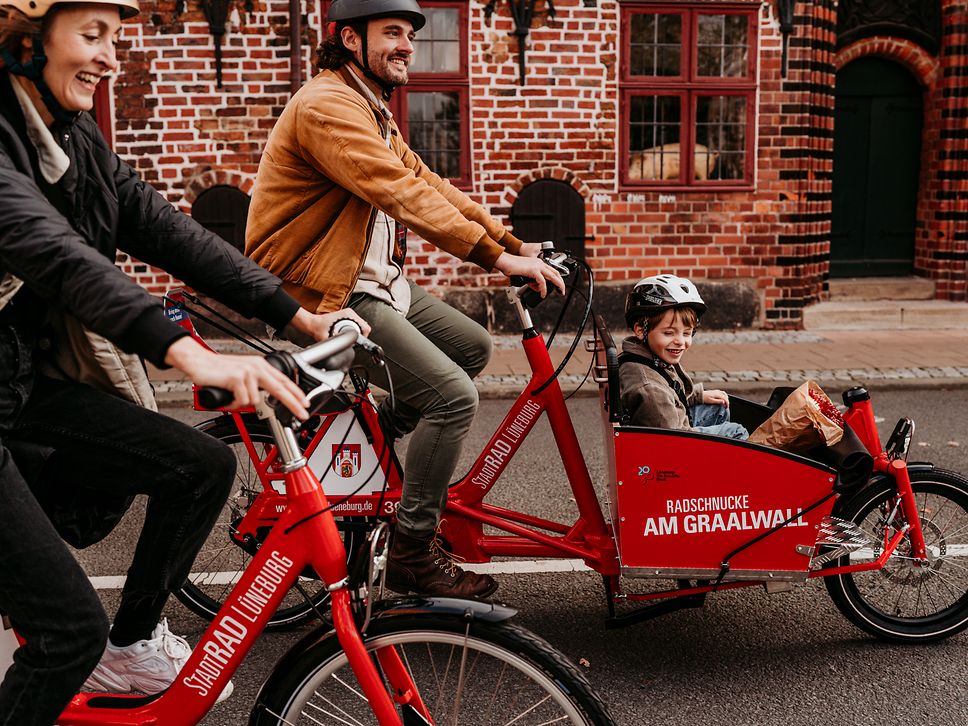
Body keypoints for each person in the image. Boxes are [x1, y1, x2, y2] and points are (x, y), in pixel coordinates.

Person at [0, 1, 368, 722]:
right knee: (68, 634)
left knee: (198, 465)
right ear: (25, 39)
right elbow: (56, 253)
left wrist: (298, 317)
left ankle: (131, 645)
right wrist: (188, 354)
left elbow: (165, 229)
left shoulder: (70, 137)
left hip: (19, 388)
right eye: (92, 36)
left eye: (116, 38)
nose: (111, 57)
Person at [245, 0, 564, 599]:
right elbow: (397, 192)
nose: (406, 46)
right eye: (391, 32)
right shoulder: (327, 106)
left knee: (470, 348)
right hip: (324, 292)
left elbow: (429, 185)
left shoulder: (372, 110)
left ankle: (362, 455)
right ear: (348, 38)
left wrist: (518, 245)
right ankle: (413, 552)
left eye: (410, 35)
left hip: (374, 282)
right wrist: (496, 259)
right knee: (452, 397)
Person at [619, 274, 748, 440]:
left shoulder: (649, 357)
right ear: (641, 330)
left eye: (687, 333)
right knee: (736, 432)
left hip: (675, 423)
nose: (680, 341)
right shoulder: (650, 389)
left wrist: (698, 395)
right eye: (668, 333)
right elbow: (674, 441)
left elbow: (671, 391)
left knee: (719, 408)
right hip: (675, 442)